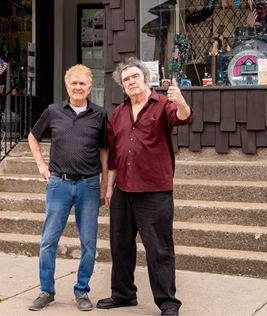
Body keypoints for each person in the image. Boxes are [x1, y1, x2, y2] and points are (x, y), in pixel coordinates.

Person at [97, 57, 192, 316]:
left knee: (159, 249)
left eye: (135, 77)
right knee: (120, 246)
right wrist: (108, 189)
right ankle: (123, 294)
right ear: (123, 86)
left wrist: (181, 101)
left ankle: (168, 303)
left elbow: (183, 118)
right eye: (126, 80)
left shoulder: (163, 104)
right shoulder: (118, 114)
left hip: (154, 191)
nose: (131, 82)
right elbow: (114, 156)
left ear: (146, 79)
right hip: (123, 191)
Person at [27, 64, 109, 312]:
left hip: (89, 185)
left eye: (82, 83)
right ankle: (46, 290)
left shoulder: (100, 114)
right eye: (73, 82)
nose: (77, 87)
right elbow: (33, 136)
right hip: (59, 184)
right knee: (48, 240)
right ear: (66, 86)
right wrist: (41, 165)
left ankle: (82, 290)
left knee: (89, 242)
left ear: (90, 87)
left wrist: (105, 183)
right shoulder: (53, 111)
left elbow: (104, 150)